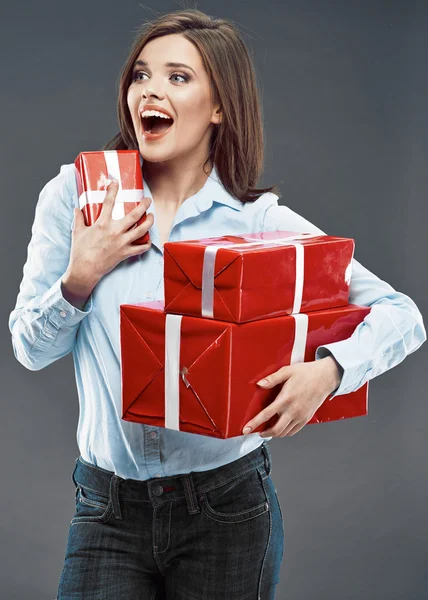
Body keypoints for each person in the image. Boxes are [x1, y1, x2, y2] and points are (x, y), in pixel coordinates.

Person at [8, 9, 426, 600]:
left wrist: (329, 371)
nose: (150, 89)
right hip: (106, 507)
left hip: (228, 510)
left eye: (178, 77)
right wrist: (81, 275)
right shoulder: (76, 198)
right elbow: (28, 348)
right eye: (140, 75)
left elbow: (401, 314)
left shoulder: (257, 221)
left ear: (220, 105)